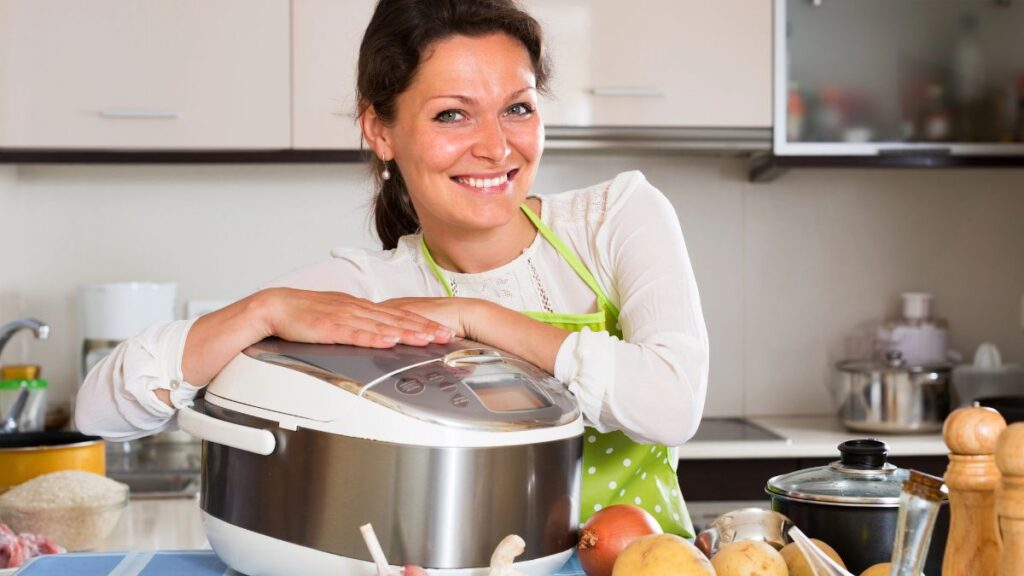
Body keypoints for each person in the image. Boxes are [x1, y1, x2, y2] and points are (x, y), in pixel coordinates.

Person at [75, 0, 709, 538]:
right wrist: (261, 310)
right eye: (452, 114)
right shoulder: (372, 289)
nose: (496, 145)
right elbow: (101, 408)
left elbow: (672, 405)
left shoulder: (616, 218)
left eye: (517, 108)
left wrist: (476, 318)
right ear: (380, 130)